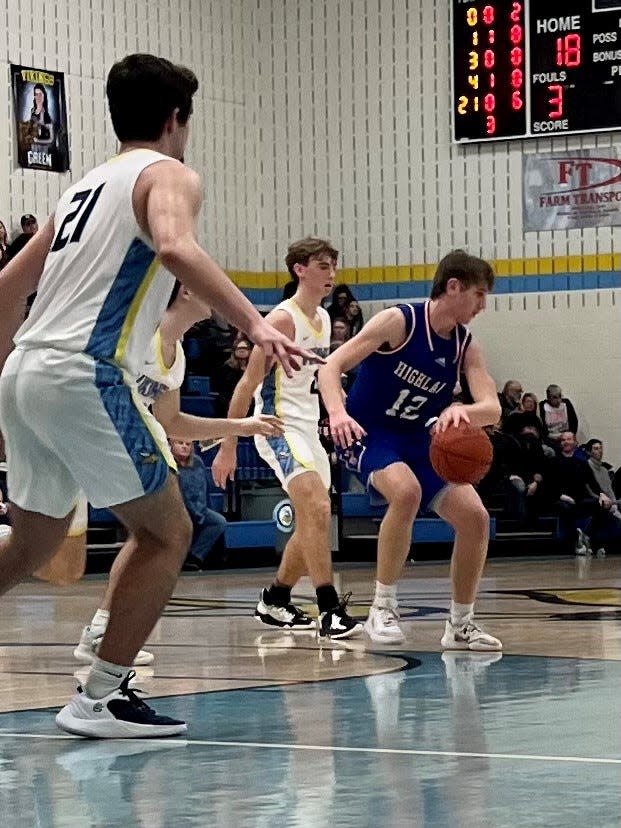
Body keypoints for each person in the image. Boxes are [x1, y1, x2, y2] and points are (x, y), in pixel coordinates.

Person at [0, 53, 319, 739]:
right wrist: (258, 322)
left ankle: (101, 685)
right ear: (177, 119)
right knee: (168, 529)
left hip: (27, 369)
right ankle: (101, 696)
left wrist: (9, 385)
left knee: (33, 539)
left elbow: (4, 292)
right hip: (86, 369)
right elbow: (174, 247)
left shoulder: (80, 190)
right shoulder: (166, 173)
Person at [73, 285, 284, 667]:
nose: (216, 299)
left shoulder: (177, 356)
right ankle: (103, 639)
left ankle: (101, 630)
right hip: (99, 426)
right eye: (210, 290)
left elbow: (173, 421)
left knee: (153, 535)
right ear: (185, 291)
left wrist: (240, 425)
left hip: (132, 431)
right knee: (161, 532)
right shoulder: (140, 334)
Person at [318, 249, 502, 650]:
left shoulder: (465, 345)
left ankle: (460, 625)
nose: (482, 306)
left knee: (474, 518)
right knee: (406, 491)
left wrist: (462, 410)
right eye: (479, 295)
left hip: (419, 437)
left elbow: (492, 407)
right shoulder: (399, 321)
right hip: (366, 431)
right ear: (453, 287)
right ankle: (381, 608)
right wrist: (337, 414)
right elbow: (329, 367)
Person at [212, 236, 362, 639]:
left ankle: (276, 599)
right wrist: (228, 446)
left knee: (315, 516)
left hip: (309, 427)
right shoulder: (282, 320)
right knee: (314, 505)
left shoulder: (326, 319)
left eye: (333, 265)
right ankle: (329, 608)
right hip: (276, 426)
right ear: (300, 269)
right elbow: (246, 385)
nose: (331, 273)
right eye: (322, 265)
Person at [30, 84, 55, 148]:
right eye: (36, 94)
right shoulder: (32, 112)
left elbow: (51, 139)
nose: (38, 97)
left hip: (44, 149)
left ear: (44, 96)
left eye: (40, 94)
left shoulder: (48, 116)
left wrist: (38, 141)